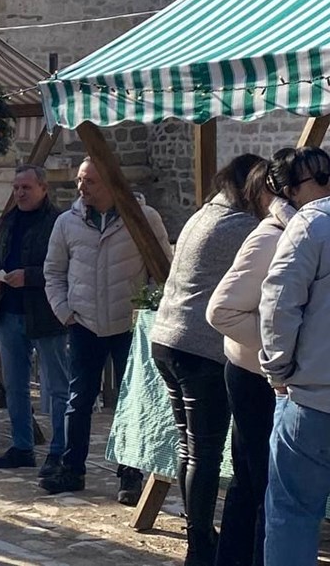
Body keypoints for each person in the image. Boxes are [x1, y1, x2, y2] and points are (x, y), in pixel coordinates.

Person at [148, 154, 263, 565]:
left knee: (191, 448)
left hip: (167, 339)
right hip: (200, 348)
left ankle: (198, 536)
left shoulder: (204, 214)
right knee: (204, 453)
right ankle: (200, 544)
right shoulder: (242, 226)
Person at [41, 157, 171, 503]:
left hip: (128, 324)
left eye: (90, 181)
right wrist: (65, 312)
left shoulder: (145, 218)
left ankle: (130, 474)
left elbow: (163, 266)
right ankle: (72, 469)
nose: (82, 187)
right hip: (83, 323)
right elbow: (53, 272)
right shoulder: (67, 223)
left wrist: (150, 310)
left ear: (111, 183)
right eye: (80, 180)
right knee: (79, 399)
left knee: (132, 402)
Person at [206, 159, 296, 566]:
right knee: (260, 484)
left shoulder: (290, 231)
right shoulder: (270, 237)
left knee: (251, 483)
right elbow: (220, 312)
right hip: (253, 374)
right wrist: (281, 347)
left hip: (257, 372)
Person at [256, 147, 330, 566]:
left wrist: (277, 369)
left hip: (313, 396)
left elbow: (279, 303)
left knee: (293, 513)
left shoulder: (310, 225)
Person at [0, 165, 70, 476]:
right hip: (10, 312)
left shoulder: (58, 222)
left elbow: (65, 267)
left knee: (57, 387)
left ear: (43, 189)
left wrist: (30, 277)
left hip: (46, 313)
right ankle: (22, 446)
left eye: (26, 188)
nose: (19, 193)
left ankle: (60, 450)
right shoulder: (8, 220)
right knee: (15, 386)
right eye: (16, 187)